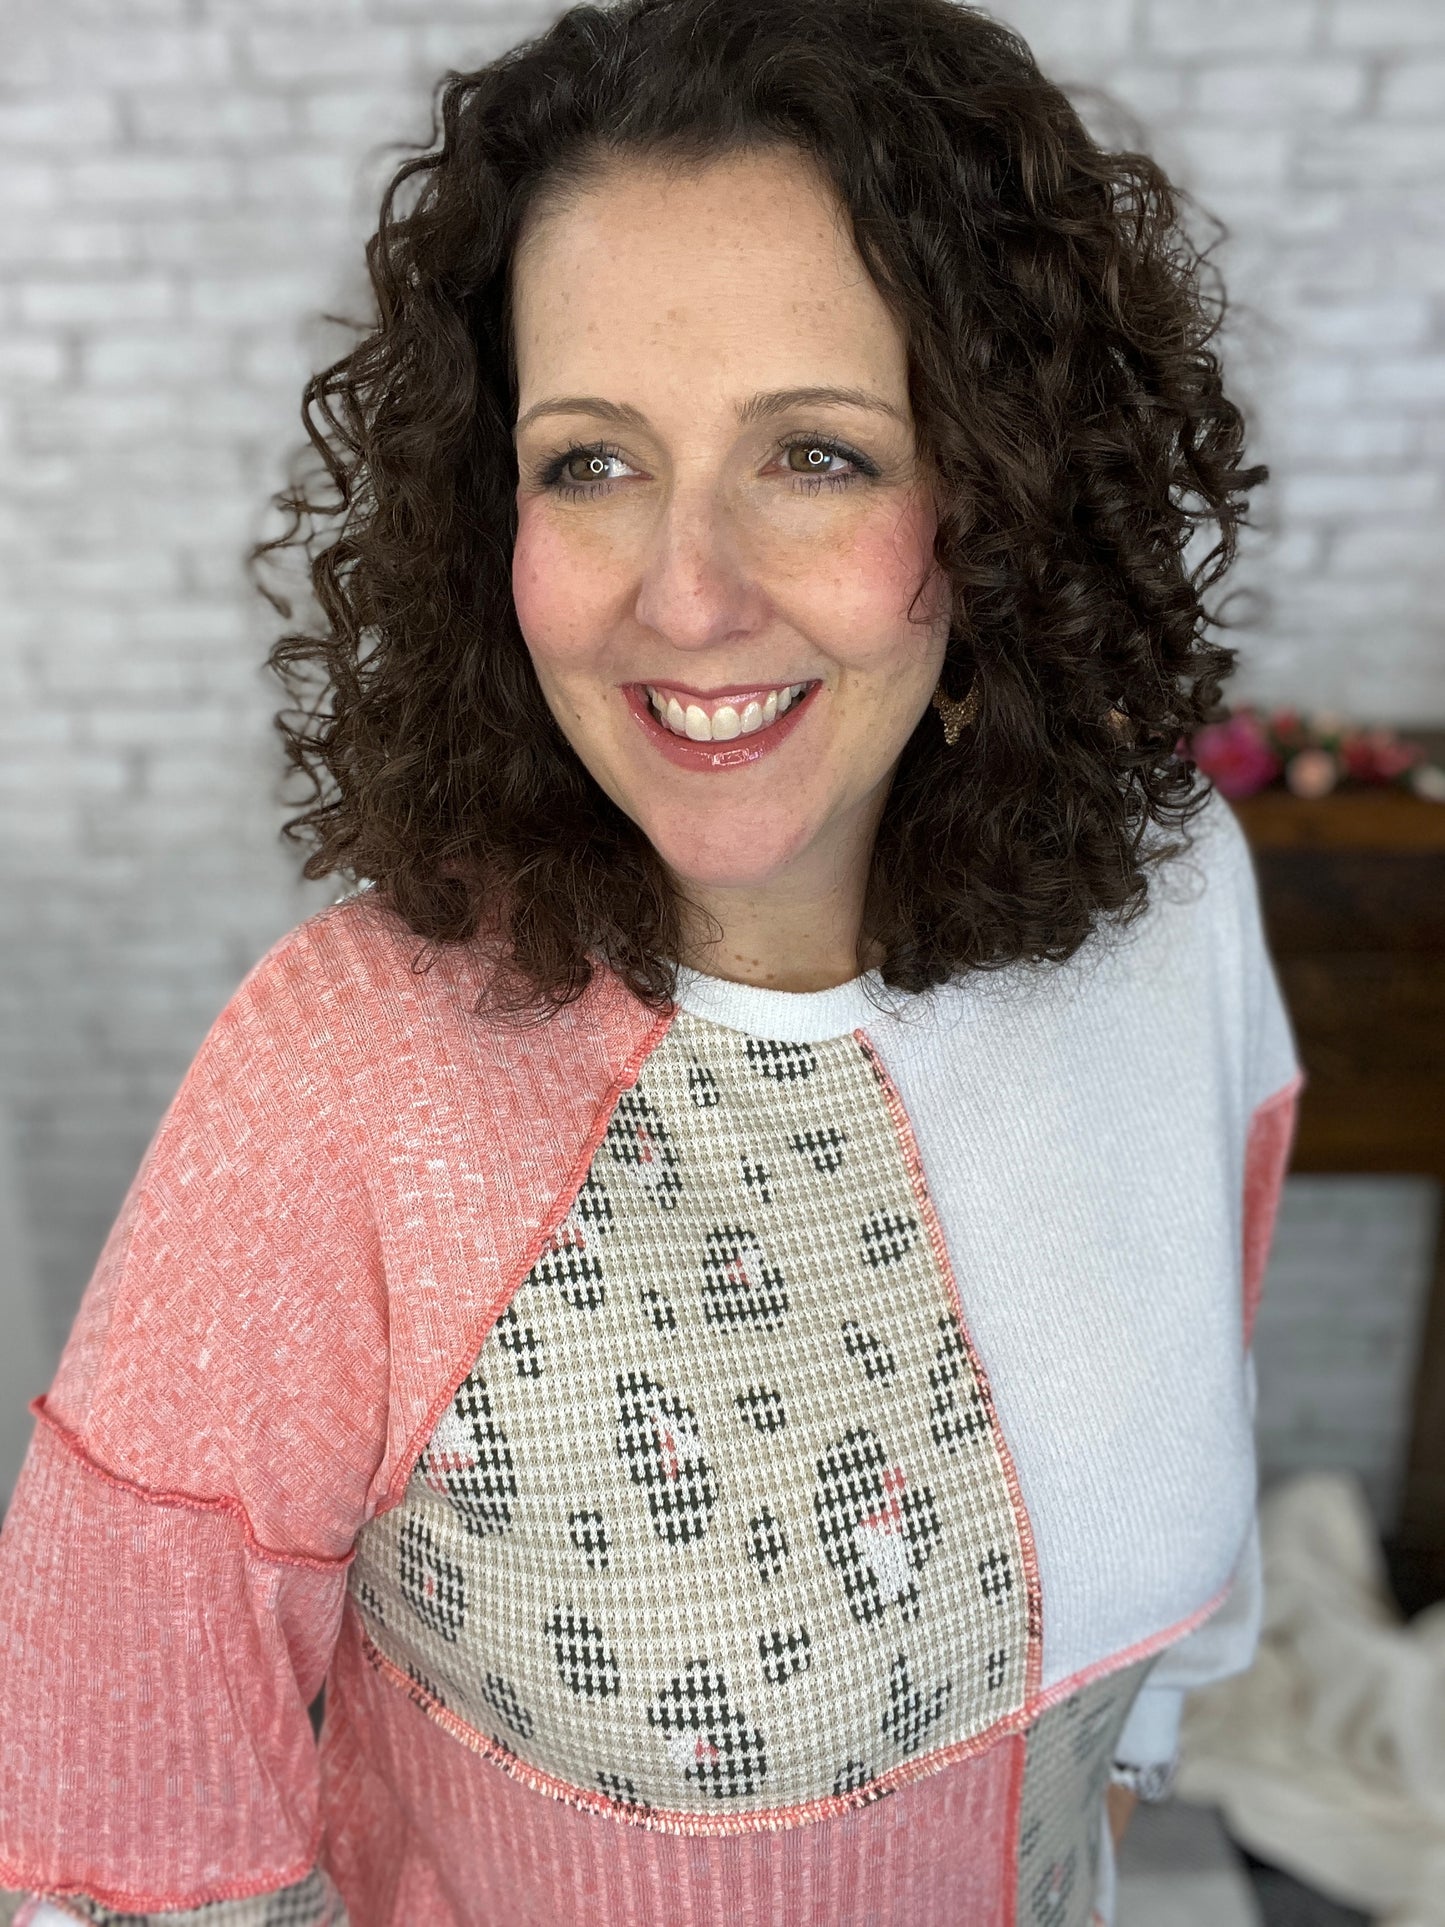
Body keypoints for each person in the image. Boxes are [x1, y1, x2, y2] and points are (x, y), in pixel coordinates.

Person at [0, 1, 1304, 1922]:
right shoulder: (343, 1073)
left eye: (818, 456)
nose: (685, 595)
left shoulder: (1173, 906)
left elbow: (1206, 1405)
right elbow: (114, 1833)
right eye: (592, 463)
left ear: (1000, 492)